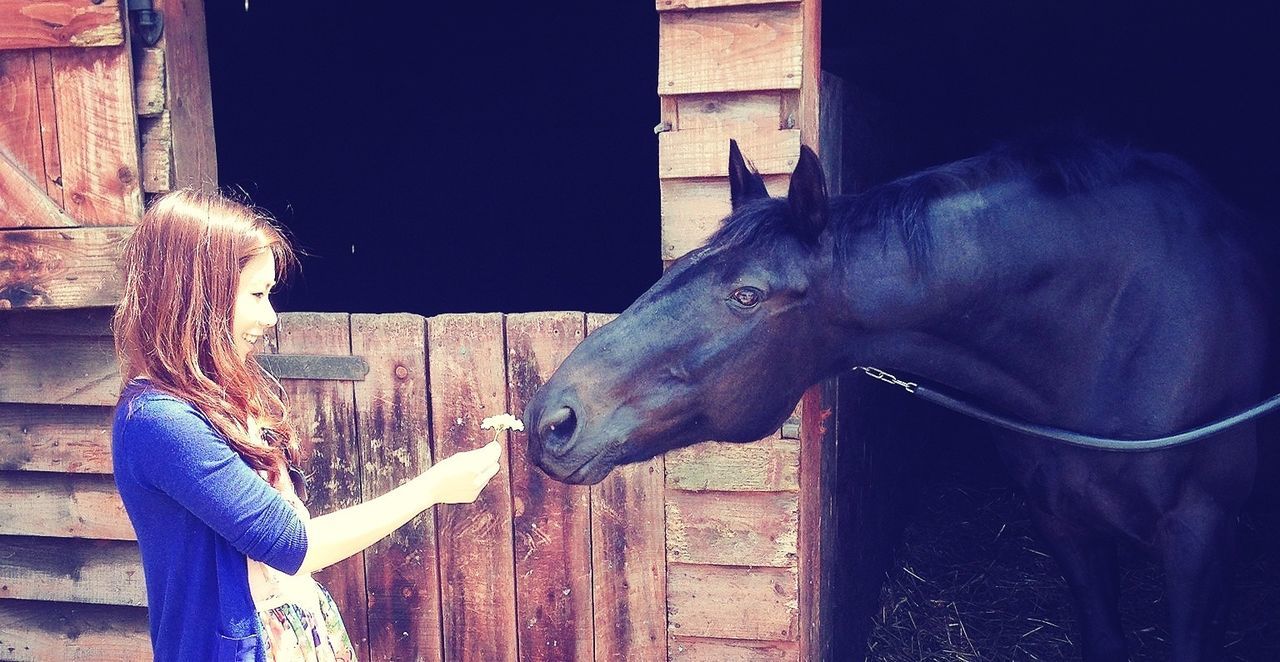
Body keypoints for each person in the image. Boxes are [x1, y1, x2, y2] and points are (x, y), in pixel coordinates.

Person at [111, 189, 503, 662]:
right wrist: (433, 487)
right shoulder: (159, 421)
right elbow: (293, 545)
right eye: (256, 295)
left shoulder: (217, 397)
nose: (269, 316)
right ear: (196, 296)